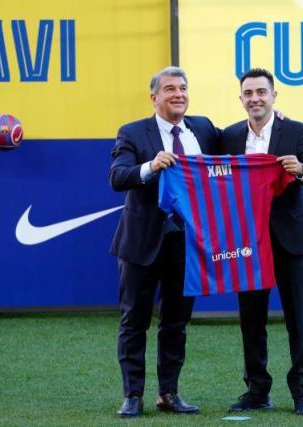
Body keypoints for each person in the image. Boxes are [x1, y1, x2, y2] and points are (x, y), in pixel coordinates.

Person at [109, 66, 219, 417]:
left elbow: (239, 140)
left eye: (183, 88)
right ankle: (132, 396)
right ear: (154, 97)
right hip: (142, 244)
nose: (178, 94)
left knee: (176, 323)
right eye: (170, 89)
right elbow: (118, 177)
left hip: (186, 245)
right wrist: (151, 166)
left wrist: (270, 117)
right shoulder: (132, 132)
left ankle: (169, 394)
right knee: (134, 322)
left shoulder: (203, 129)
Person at [220, 68, 303, 416]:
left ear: (274, 96)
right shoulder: (229, 136)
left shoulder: (297, 131)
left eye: (261, 92)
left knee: (298, 319)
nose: (255, 98)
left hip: (290, 240)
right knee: (251, 320)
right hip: (247, 241)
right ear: (241, 99)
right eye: (248, 93)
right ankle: (257, 391)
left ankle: (302, 394)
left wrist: (301, 170)